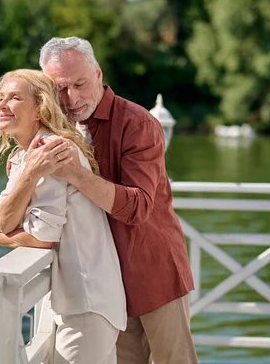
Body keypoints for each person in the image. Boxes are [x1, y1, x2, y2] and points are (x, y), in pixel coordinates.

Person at [37, 37, 198, 364]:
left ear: (98, 73)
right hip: (103, 285)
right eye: (60, 90)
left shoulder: (139, 123)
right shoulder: (58, 127)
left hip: (153, 272)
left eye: (79, 84)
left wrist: (76, 175)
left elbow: (138, 207)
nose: (71, 98)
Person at [0, 69, 126, 364]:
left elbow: (41, 238)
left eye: (15, 97)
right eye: (0, 98)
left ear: (40, 108)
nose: (2, 105)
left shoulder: (55, 150)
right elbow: (4, 221)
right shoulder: (24, 156)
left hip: (88, 301)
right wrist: (29, 173)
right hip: (70, 300)